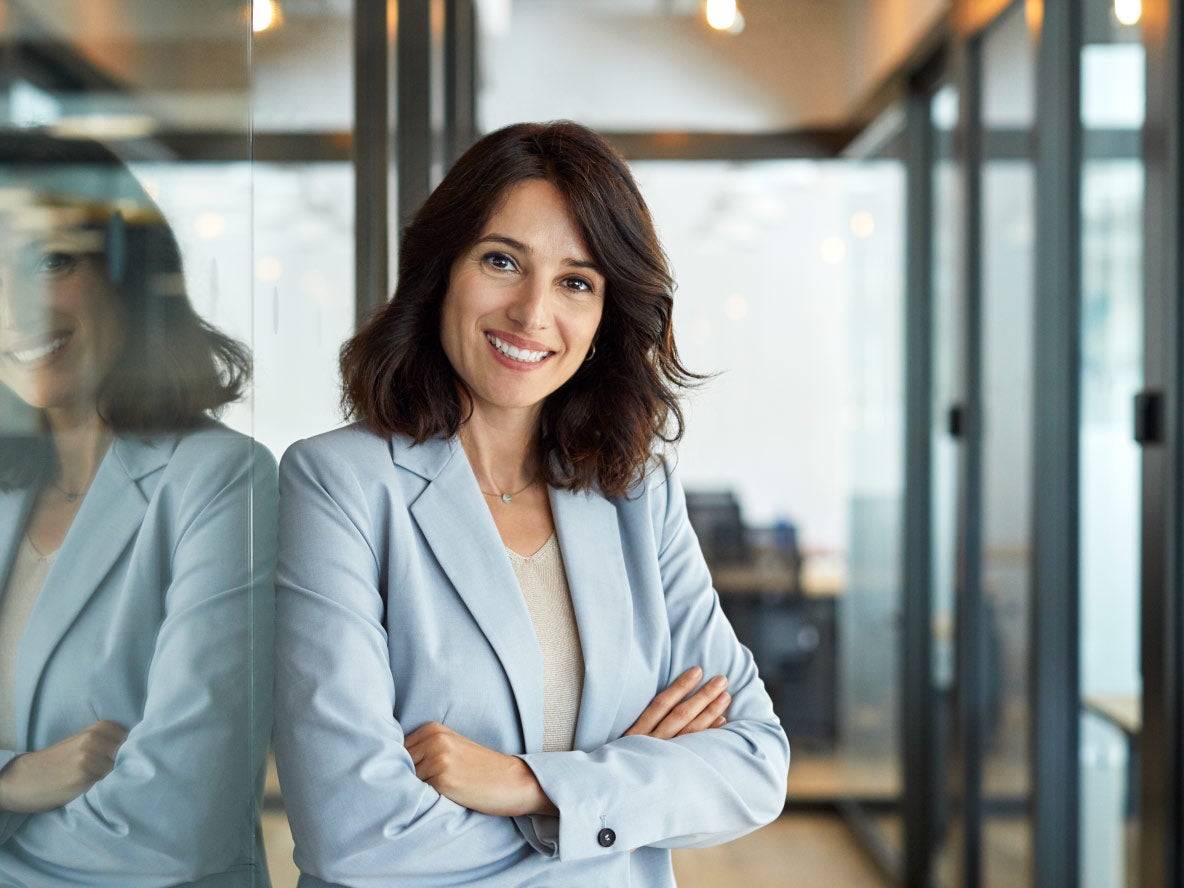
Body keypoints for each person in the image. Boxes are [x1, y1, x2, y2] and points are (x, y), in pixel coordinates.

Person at [275, 121, 789, 887]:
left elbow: (755, 764)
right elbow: (355, 833)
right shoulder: (337, 484)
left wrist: (527, 783)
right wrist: (618, 797)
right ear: (441, 268)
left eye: (576, 281)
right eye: (502, 261)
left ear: (605, 316)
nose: (531, 311)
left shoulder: (636, 492)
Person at [0, 133, 275, 887]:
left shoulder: (222, 482)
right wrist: (16, 781)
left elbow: (176, 830)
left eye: (50, 262)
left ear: (127, 272)